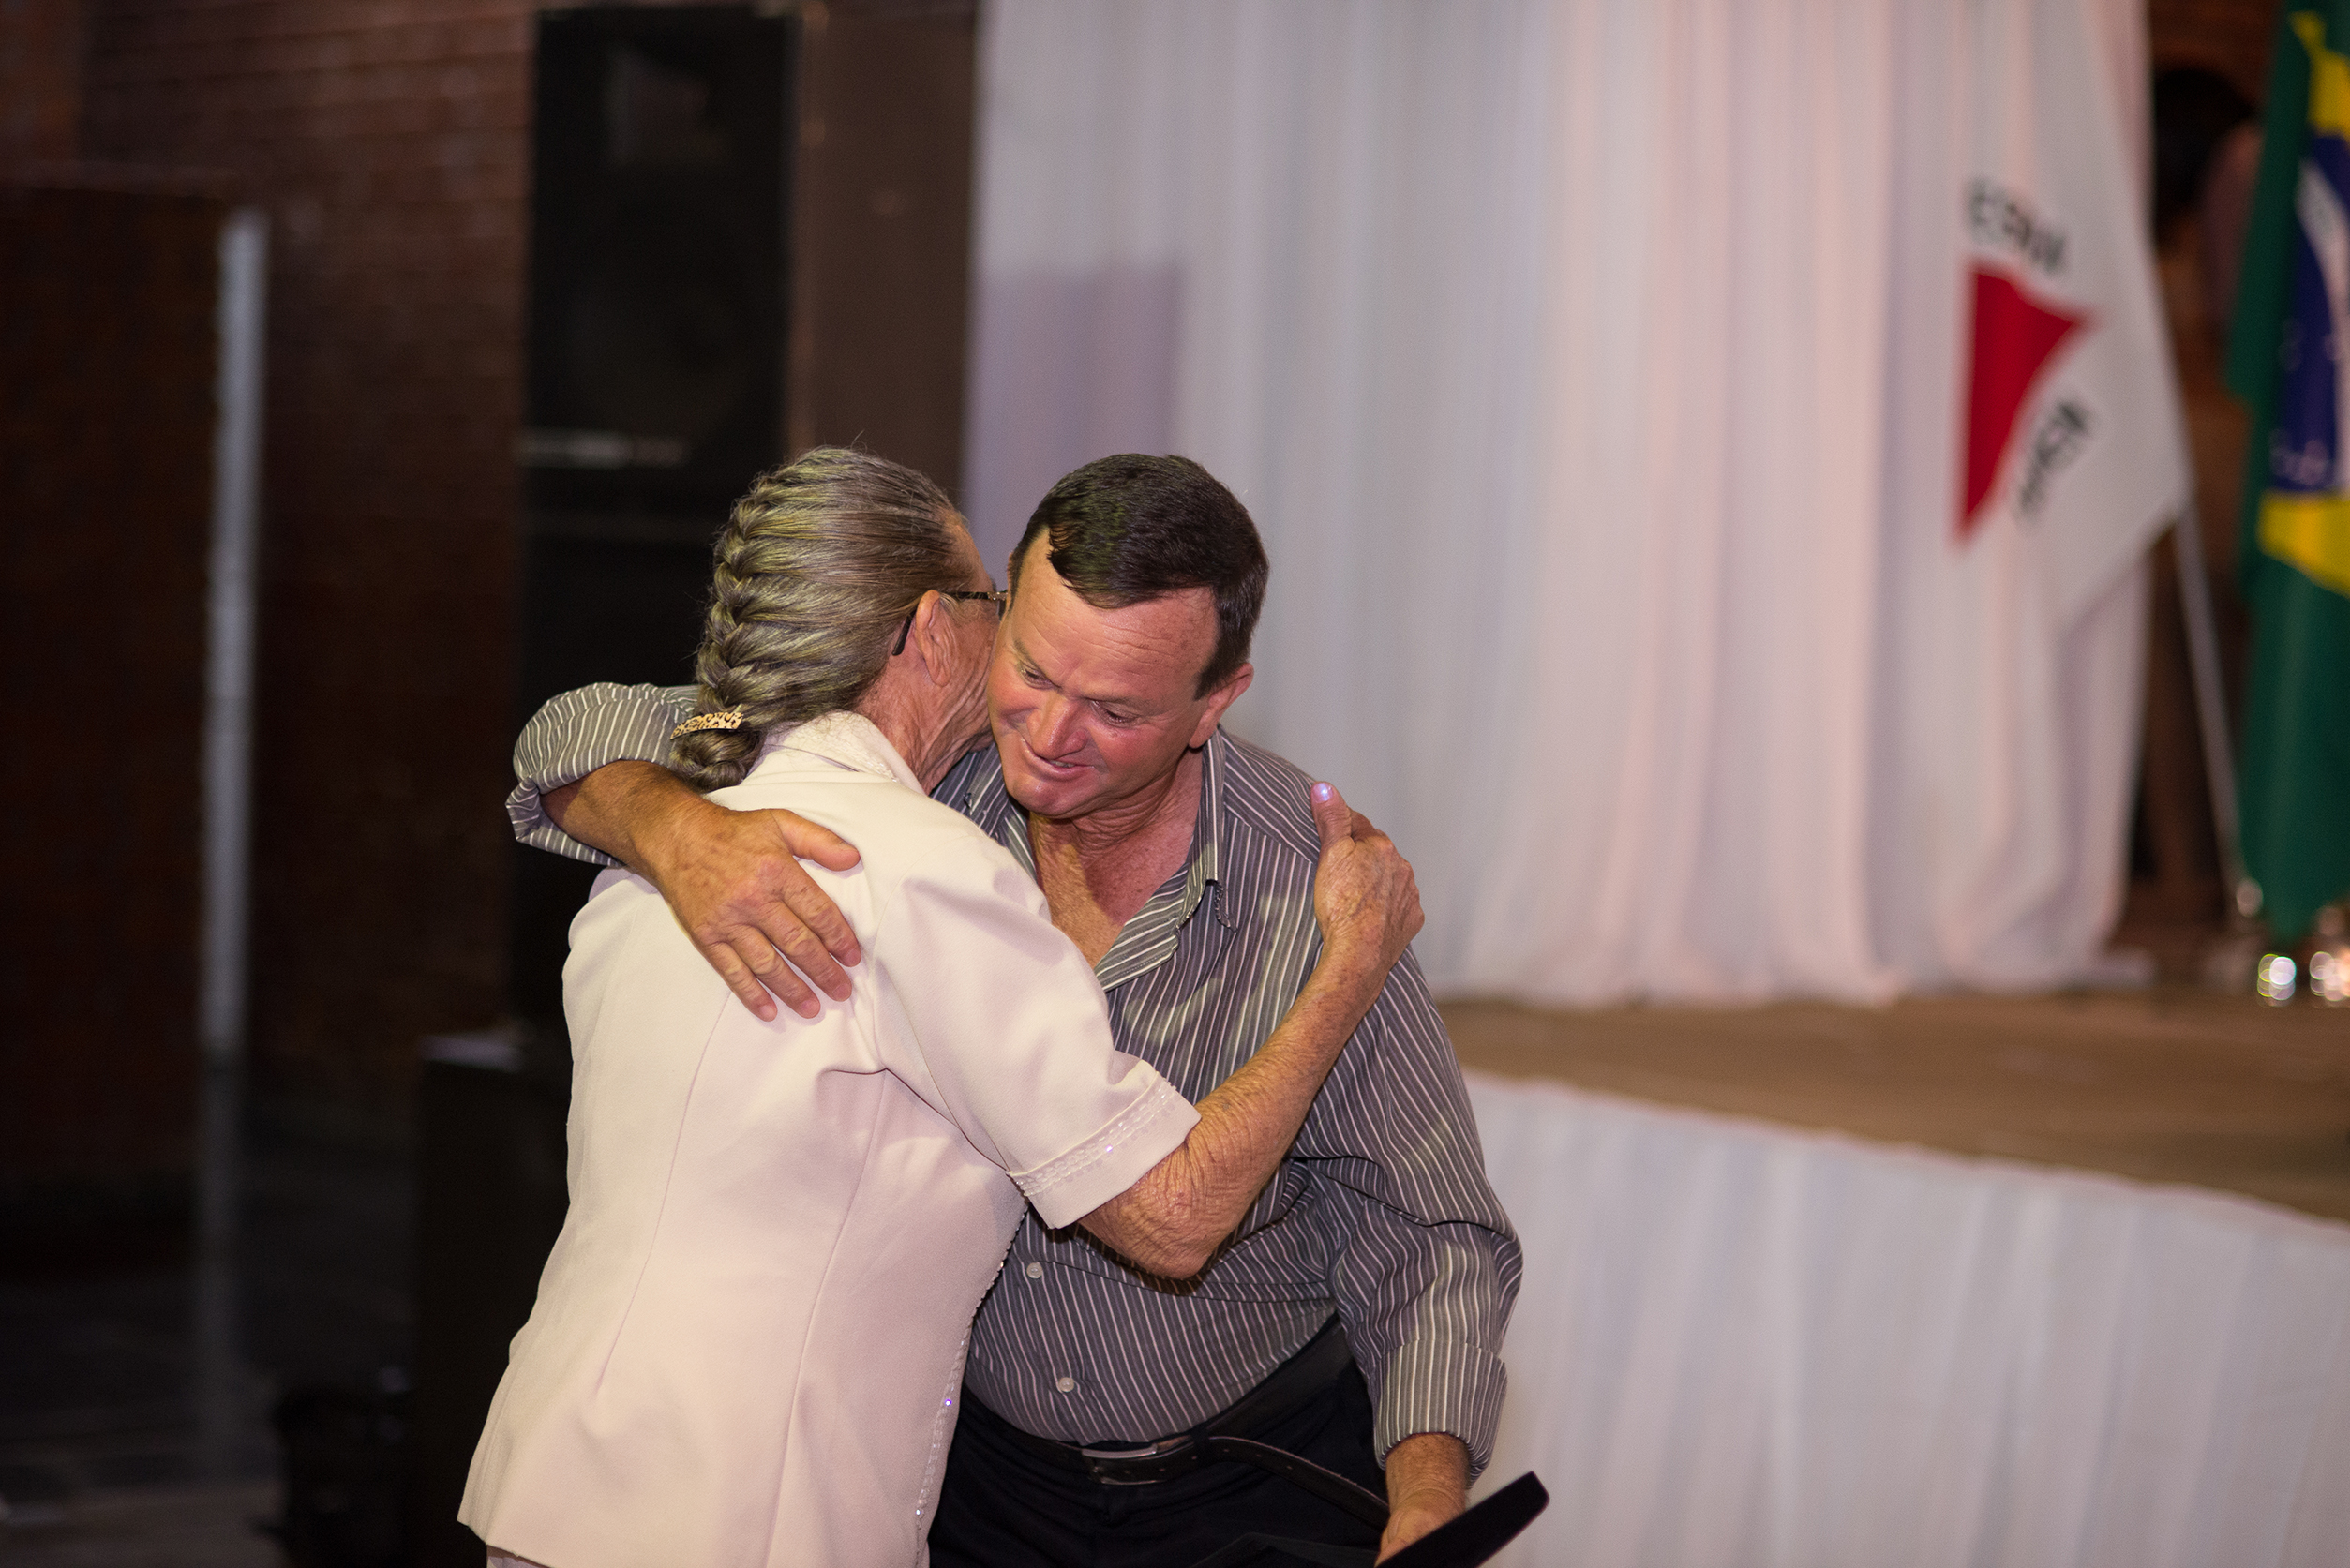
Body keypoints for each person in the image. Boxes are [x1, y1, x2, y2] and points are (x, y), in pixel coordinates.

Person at [506, 453, 1521, 1563]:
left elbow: (1427, 1232)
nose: (1048, 731)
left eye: (1115, 709)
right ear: (981, 614)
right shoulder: (918, 767)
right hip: (973, 1487)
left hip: (1246, 1481)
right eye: (1031, 668)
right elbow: (577, 727)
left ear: (1212, 701)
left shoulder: (1321, 890)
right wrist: (675, 827)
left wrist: (1424, 1495)